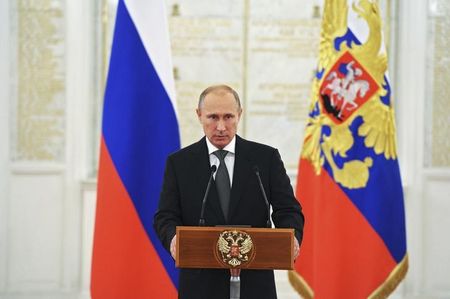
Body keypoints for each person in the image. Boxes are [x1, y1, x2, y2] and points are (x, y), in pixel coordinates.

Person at [154, 85, 304, 299]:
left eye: (228, 117)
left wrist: (293, 237)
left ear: (239, 115)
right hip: (200, 285)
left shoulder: (265, 159)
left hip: (255, 283)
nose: (221, 126)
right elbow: (165, 216)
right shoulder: (180, 163)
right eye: (213, 117)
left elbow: (288, 210)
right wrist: (173, 239)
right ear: (199, 116)